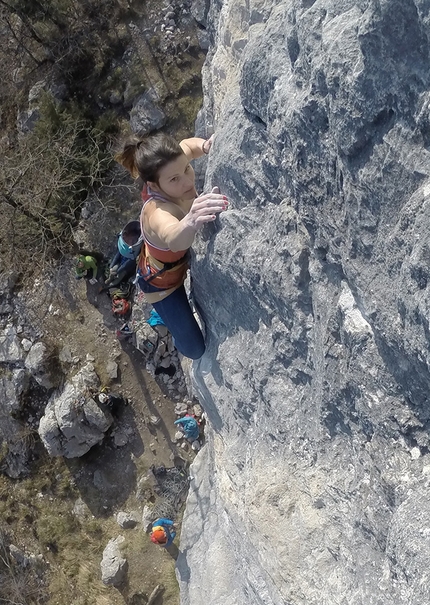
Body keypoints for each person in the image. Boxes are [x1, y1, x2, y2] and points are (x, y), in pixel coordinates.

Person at [115, 132, 228, 359]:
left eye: (186, 169)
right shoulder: (157, 212)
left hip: (172, 264)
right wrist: (191, 220)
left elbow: (187, 146)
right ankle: (168, 327)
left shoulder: (171, 166)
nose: (187, 181)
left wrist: (205, 146)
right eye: (174, 179)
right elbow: (175, 239)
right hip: (161, 286)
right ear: (153, 186)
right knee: (194, 350)